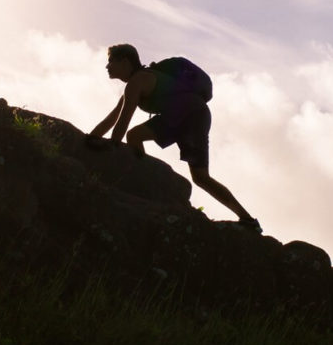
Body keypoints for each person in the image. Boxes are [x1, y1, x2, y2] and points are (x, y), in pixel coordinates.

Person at [87, 44, 261, 232]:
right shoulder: (136, 84)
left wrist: (112, 145)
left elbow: (123, 121)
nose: (107, 67)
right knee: (201, 177)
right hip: (197, 114)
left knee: (134, 135)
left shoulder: (137, 82)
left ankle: (146, 185)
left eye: (110, 62)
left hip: (186, 113)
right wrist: (92, 137)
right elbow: (112, 118)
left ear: (125, 61)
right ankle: (248, 220)